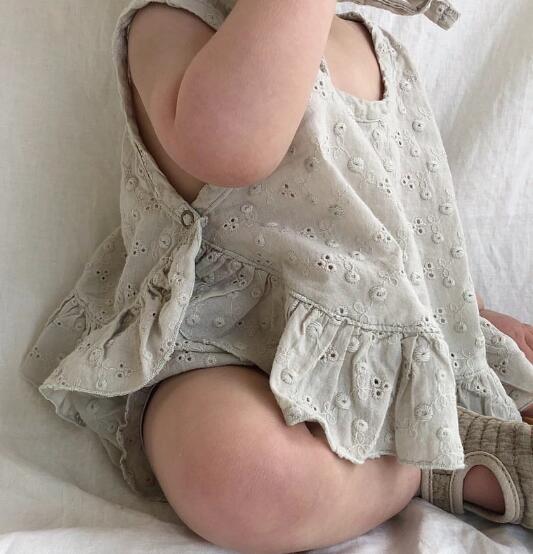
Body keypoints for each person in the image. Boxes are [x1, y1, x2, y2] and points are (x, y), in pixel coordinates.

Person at [20, 1, 533, 552]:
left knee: (500, 373)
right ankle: (429, 459)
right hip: (226, 340)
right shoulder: (171, 21)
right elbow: (230, 150)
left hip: (376, 344)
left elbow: (415, 226)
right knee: (234, 469)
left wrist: (469, 311)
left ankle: (436, 433)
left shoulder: (379, 52)